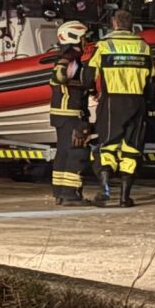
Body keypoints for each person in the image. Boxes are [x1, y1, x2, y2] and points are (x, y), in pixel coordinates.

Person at [88, 7, 155, 206]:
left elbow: (88, 75)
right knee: (132, 148)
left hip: (112, 101)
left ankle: (105, 190)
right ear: (132, 25)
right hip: (137, 102)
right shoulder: (144, 46)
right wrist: (146, 101)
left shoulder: (105, 45)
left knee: (106, 145)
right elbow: (153, 80)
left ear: (114, 23)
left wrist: (91, 91)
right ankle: (125, 197)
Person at [46, 20, 95, 202]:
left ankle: (59, 192)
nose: (86, 42)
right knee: (77, 152)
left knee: (63, 152)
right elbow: (60, 76)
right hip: (71, 114)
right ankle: (70, 194)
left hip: (61, 115)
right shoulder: (70, 58)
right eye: (84, 38)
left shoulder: (67, 58)